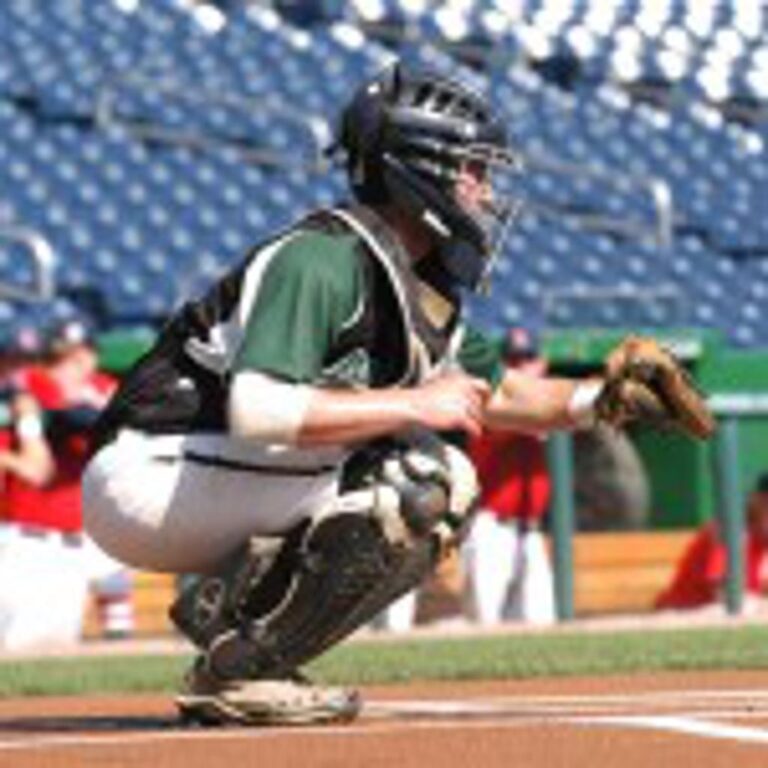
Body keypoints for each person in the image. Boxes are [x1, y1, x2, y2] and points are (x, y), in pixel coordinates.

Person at [82, 62, 673, 727]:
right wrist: (414, 405)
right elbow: (259, 409)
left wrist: (607, 400)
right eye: (470, 168)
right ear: (415, 170)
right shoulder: (322, 257)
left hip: (209, 470)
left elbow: (498, 394)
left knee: (426, 470)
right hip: (151, 471)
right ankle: (243, 667)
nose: (483, 189)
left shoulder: (414, 280)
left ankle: (237, 631)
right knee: (426, 475)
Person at [0, 319, 134, 650]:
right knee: (15, 644)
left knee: (55, 645)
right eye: (60, 358)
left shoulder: (102, 387)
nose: (71, 365)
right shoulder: (32, 384)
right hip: (26, 541)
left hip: (74, 542)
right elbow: (55, 413)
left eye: (79, 356)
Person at [462, 327, 556, 626]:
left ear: (542, 363)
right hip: (491, 531)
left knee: (541, 626)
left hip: (531, 532)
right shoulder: (489, 402)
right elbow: (526, 420)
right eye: (514, 361)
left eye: (528, 359)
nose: (522, 367)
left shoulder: (545, 400)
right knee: (484, 627)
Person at [655, 472, 768, 612]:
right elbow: (724, 595)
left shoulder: (761, 539)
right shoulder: (730, 530)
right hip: (682, 614)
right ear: (757, 500)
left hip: (716, 616)